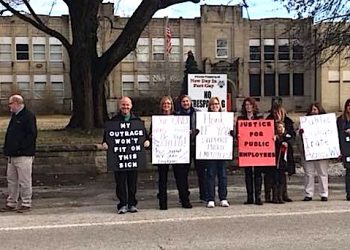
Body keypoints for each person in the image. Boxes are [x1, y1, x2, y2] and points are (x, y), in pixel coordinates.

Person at [102, 96, 149, 214]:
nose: (125, 107)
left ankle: (132, 204)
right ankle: (122, 204)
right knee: (120, 182)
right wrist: (105, 144)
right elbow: (106, 138)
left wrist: (147, 141)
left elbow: (145, 137)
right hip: (119, 158)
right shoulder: (113, 121)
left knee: (132, 182)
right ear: (119, 106)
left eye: (127, 105)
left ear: (131, 106)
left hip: (133, 157)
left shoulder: (137, 121)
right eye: (123, 105)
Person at [149, 96, 189, 210]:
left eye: (169, 103)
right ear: (161, 105)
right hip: (162, 153)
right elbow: (151, 133)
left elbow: (182, 133)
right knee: (162, 178)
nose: (166, 105)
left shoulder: (178, 117)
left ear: (172, 105)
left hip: (177, 152)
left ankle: (185, 200)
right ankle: (163, 202)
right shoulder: (157, 119)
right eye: (164, 103)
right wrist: (151, 136)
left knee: (180, 177)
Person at [1, 94, 37, 213]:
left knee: (24, 180)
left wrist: (21, 149)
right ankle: (12, 202)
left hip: (23, 155)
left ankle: (26, 202)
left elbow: (31, 135)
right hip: (12, 155)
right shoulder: (15, 116)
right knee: (12, 180)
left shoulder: (28, 116)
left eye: (10, 103)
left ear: (16, 103)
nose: (9, 106)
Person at [174, 94, 203, 207]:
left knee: (201, 172)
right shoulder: (176, 115)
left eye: (187, 101)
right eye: (183, 102)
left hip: (197, 146)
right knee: (182, 174)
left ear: (191, 102)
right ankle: (184, 198)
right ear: (180, 103)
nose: (185, 103)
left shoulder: (199, 113)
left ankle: (204, 196)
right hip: (183, 147)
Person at [202, 97, 230, 208]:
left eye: (217, 104)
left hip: (222, 150)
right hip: (210, 151)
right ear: (209, 106)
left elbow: (230, 132)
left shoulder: (225, 118)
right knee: (210, 175)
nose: (215, 106)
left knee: (222, 175)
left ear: (220, 106)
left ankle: (223, 198)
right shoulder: (204, 118)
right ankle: (211, 199)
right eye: (212, 104)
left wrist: (231, 133)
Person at [265, 101, 295, 202]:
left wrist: (286, 140)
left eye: (278, 112)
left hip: (284, 152)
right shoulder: (268, 120)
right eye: (274, 112)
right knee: (271, 175)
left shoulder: (288, 121)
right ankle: (271, 196)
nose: (276, 114)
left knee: (282, 175)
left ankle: (283, 194)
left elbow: (292, 136)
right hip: (272, 152)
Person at [236, 97, 264, 205]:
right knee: (248, 174)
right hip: (246, 149)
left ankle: (258, 197)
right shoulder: (241, 119)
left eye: (250, 104)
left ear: (253, 106)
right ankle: (249, 197)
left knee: (257, 173)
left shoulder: (259, 118)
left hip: (257, 149)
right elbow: (238, 133)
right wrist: (238, 136)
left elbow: (264, 132)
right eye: (246, 105)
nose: (248, 106)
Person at [299, 103, 329, 202]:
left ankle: (324, 193)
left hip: (322, 151)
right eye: (312, 109)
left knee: (322, 173)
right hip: (308, 151)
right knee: (309, 173)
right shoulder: (304, 122)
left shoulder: (326, 122)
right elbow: (298, 135)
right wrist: (300, 132)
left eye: (315, 109)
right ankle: (309, 193)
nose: (314, 111)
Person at [272, 121, 295, 204]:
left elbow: (291, 141)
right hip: (275, 161)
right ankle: (275, 197)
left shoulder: (287, 137)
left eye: (281, 127)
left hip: (283, 162)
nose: (280, 129)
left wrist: (286, 143)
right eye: (278, 127)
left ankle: (281, 196)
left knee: (282, 179)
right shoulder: (274, 137)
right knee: (275, 179)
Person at [337, 98, 350, 201]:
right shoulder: (340, 120)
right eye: (348, 106)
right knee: (349, 171)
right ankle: (349, 193)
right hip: (346, 148)